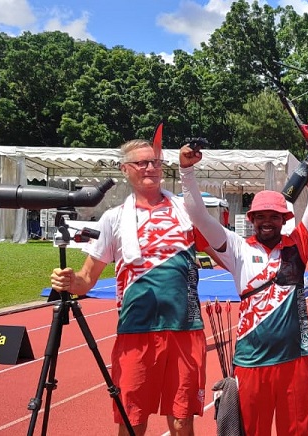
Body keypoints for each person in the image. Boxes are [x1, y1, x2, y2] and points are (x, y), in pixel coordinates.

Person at [49, 139, 207, 436]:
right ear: (125, 170)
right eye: (141, 163)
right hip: (136, 331)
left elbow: (220, 242)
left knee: (182, 420)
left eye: (156, 163)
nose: (150, 168)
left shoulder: (186, 208)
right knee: (131, 420)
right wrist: (69, 282)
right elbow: (87, 278)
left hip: (185, 330)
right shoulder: (114, 218)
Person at [179, 139, 308, 435]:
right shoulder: (237, 249)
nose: (268, 222)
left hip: (294, 361)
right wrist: (186, 172)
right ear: (253, 220)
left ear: (283, 219)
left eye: (274, 216)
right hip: (251, 362)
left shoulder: (297, 244)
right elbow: (199, 216)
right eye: (261, 217)